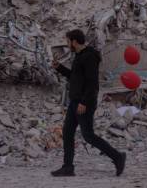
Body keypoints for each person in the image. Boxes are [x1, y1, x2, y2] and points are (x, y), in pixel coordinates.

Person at [50, 29, 126, 177]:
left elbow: (92, 83)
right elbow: (75, 77)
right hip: (75, 101)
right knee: (67, 133)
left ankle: (118, 157)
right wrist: (59, 68)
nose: (67, 44)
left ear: (74, 41)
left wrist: (84, 102)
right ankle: (68, 167)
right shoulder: (79, 56)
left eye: (68, 41)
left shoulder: (89, 57)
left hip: (84, 102)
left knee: (88, 135)